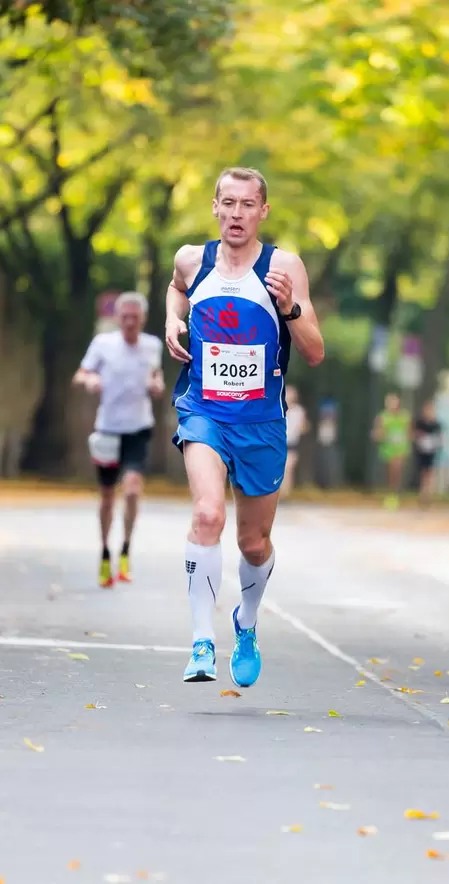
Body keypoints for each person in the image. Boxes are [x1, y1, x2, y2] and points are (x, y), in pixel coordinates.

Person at [165, 167, 324, 686]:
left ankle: (247, 624)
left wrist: (290, 308)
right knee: (207, 514)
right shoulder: (192, 260)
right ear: (214, 207)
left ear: (263, 212)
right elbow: (175, 287)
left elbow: (315, 351)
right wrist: (172, 319)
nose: (236, 214)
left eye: (246, 205)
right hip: (204, 411)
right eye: (227, 203)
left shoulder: (284, 266)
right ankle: (201, 643)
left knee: (253, 545)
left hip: (262, 423)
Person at [73, 292, 164, 588]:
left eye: (134, 318)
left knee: (134, 490)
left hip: (138, 427)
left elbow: (156, 377)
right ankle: (104, 552)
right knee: (108, 495)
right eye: (124, 317)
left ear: (142, 319)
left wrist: (157, 385)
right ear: (117, 317)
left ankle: (125, 549)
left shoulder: (152, 346)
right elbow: (81, 373)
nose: (128, 323)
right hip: (109, 429)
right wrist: (90, 381)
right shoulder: (103, 344)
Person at [372, 392, 410, 509]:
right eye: (389, 402)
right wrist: (379, 435)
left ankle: (395, 494)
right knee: (390, 472)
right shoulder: (383, 417)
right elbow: (377, 433)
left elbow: (409, 432)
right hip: (388, 448)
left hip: (400, 448)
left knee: (397, 468)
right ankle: (391, 493)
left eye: (394, 401)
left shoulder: (405, 416)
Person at [412, 400, 443, 505]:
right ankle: (422, 493)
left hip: (431, 451)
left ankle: (428, 493)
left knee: (429, 472)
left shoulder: (436, 425)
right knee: (422, 472)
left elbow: (440, 438)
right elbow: (414, 435)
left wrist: (436, 443)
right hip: (421, 451)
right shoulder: (419, 423)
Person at [282, 384, 309, 499]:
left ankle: (284, 494)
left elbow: (305, 427)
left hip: (291, 444)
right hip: (278, 443)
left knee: (288, 469)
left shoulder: (299, 411)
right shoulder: (279, 408)